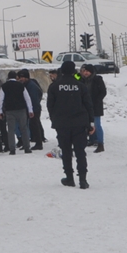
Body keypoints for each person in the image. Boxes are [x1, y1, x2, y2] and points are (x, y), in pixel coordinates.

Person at [46, 60, 94, 188]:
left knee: (66, 152)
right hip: (79, 123)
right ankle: (83, 180)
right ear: (74, 71)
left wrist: (54, 120)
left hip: (62, 124)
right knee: (80, 152)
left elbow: (50, 106)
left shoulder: (55, 86)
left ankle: (69, 178)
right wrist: (91, 123)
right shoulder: (80, 86)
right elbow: (88, 105)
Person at [0, 70, 34, 154]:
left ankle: (12, 149)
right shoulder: (21, 85)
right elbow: (27, 98)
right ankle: (27, 148)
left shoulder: (4, 86)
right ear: (16, 77)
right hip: (21, 110)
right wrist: (30, 110)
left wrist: (0, 111)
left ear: (8, 77)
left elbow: (0, 100)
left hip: (10, 111)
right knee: (24, 128)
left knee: (11, 130)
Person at [80, 63, 107, 152]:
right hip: (86, 106)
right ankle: (92, 139)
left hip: (95, 106)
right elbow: (74, 76)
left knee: (97, 125)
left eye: (87, 71)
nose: (85, 73)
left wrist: (97, 101)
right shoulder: (82, 80)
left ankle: (100, 143)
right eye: (84, 71)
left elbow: (103, 92)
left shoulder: (97, 79)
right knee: (88, 124)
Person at [20, 69, 45, 150]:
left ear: (26, 77)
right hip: (33, 108)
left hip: (34, 109)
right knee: (34, 125)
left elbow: (33, 98)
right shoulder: (29, 84)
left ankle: (39, 143)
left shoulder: (31, 86)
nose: (21, 79)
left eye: (22, 77)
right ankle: (37, 141)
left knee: (35, 125)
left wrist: (31, 109)